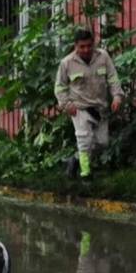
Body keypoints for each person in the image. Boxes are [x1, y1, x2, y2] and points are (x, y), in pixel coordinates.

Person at [55, 28, 124, 180]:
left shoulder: (103, 56)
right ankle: (86, 174)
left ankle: (75, 159)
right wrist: (66, 105)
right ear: (75, 46)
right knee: (84, 140)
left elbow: (113, 78)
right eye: (82, 47)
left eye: (88, 46)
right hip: (80, 108)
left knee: (101, 143)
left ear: (93, 44)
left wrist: (117, 96)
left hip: (100, 107)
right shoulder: (66, 63)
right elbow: (59, 87)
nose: (86, 50)